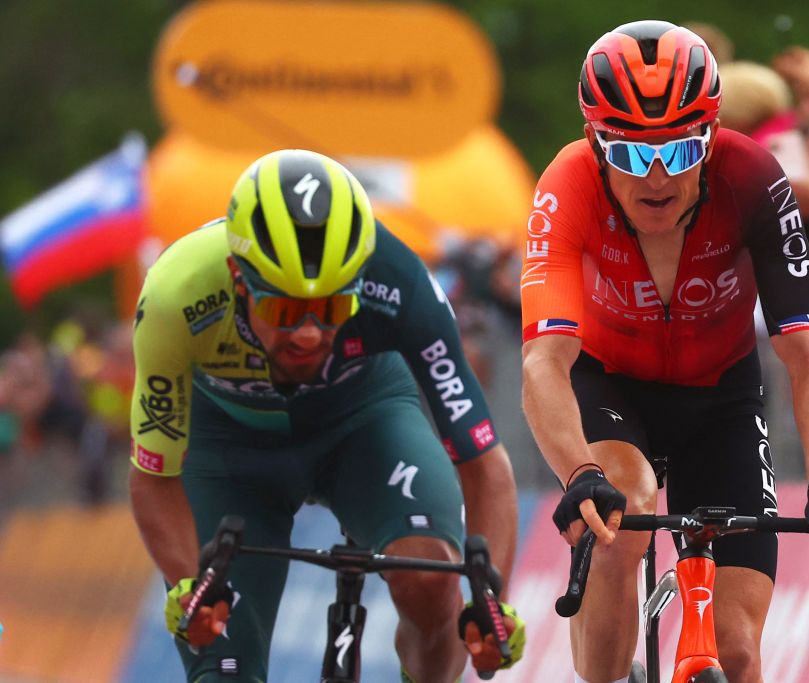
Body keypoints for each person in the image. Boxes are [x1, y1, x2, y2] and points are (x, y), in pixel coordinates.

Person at [519, 21, 809, 683]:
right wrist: (576, 474)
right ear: (595, 145)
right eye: (630, 156)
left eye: (680, 153)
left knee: (736, 653)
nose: (656, 178)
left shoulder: (754, 177)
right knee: (620, 511)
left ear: (711, 140)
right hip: (610, 384)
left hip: (721, 397)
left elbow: (808, 350)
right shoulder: (566, 183)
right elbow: (545, 361)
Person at [129, 149, 524, 682]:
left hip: (364, 423)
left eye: (333, 309)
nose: (310, 333)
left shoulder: (399, 282)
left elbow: (483, 463)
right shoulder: (177, 294)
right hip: (228, 447)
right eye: (285, 312)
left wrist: (489, 600)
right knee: (222, 663)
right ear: (238, 279)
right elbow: (155, 474)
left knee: (431, 580)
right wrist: (187, 585)